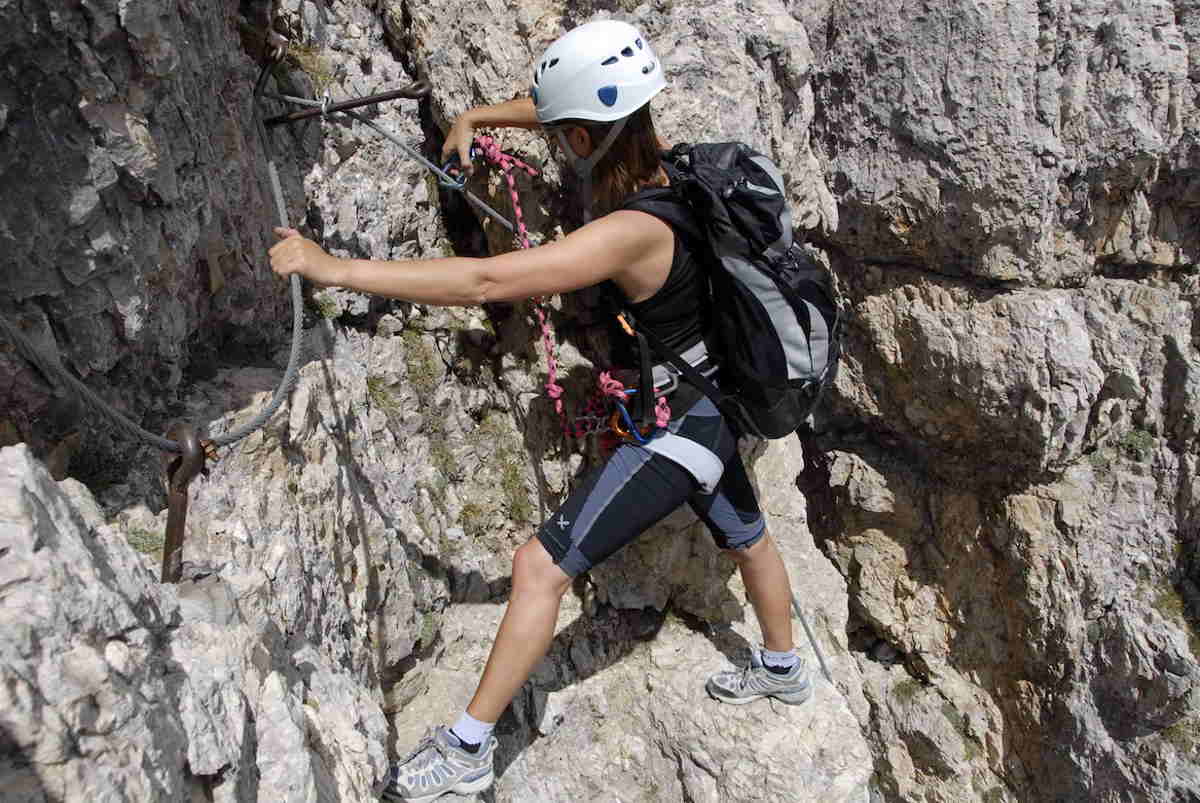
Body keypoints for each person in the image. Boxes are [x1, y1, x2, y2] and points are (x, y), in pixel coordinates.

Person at [268, 19, 811, 803]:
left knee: (538, 566)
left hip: (679, 425)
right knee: (745, 533)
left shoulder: (631, 231)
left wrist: (336, 266)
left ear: (588, 135)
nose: (556, 145)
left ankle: (465, 750)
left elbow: (490, 282)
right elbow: (560, 109)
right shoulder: (664, 166)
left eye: (564, 137)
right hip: (716, 398)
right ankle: (785, 666)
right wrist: (480, 117)